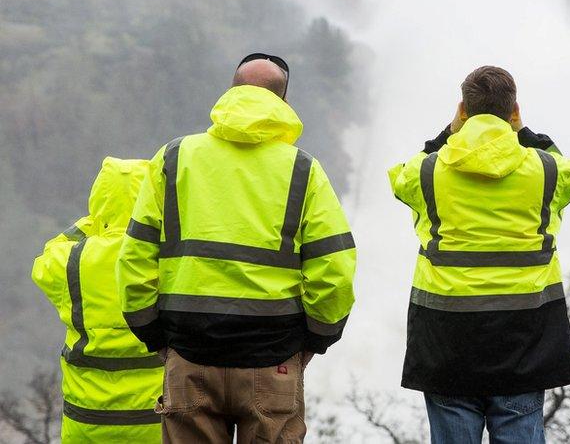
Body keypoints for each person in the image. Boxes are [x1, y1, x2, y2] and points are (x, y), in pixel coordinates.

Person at [117, 53, 357, 443]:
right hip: (273, 359)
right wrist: (315, 341)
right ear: (283, 103)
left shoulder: (174, 158)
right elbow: (334, 270)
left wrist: (157, 339)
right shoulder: (303, 170)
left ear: (231, 94)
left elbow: (135, 259)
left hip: (189, 355)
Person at [388, 65, 570, 443]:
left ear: (463, 110)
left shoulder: (427, 173)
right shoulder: (546, 171)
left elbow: (402, 177)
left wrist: (448, 134)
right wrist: (524, 133)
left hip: (445, 338)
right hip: (525, 339)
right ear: (514, 111)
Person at [32, 157, 164, 443]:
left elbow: (47, 255)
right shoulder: (163, 258)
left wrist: (93, 222)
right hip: (156, 420)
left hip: (86, 421)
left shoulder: (70, 261)